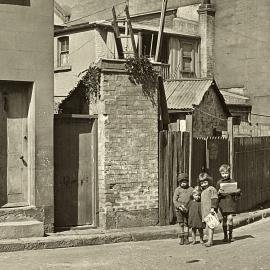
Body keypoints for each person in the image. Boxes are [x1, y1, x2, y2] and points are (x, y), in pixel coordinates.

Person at [217, 164, 241, 243]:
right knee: (224, 220)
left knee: (230, 218)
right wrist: (218, 192)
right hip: (223, 203)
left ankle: (230, 235)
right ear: (220, 174)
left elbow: (237, 193)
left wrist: (238, 191)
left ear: (229, 173)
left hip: (230, 202)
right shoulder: (219, 182)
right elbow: (216, 194)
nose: (225, 175)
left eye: (226, 173)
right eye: (223, 173)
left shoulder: (233, 182)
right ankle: (225, 236)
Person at [173, 173, 193, 245]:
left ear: (188, 182)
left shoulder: (191, 189)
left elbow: (193, 199)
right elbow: (175, 200)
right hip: (179, 210)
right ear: (179, 182)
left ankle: (186, 238)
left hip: (188, 209)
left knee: (186, 224)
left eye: (185, 182)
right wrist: (179, 206)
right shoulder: (177, 190)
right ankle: (181, 238)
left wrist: (189, 207)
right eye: (182, 182)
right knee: (181, 224)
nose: (184, 184)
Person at [199, 172, 218, 247]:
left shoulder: (211, 189)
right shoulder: (202, 191)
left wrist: (213, 207)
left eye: (205, 182)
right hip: (205, 211)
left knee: (210, 226)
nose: (203, 184)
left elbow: (214, 198)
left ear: (209, 181)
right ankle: (209, 240)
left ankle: (210, 241)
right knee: (207, 226)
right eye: (202, 183)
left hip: (210, 211)